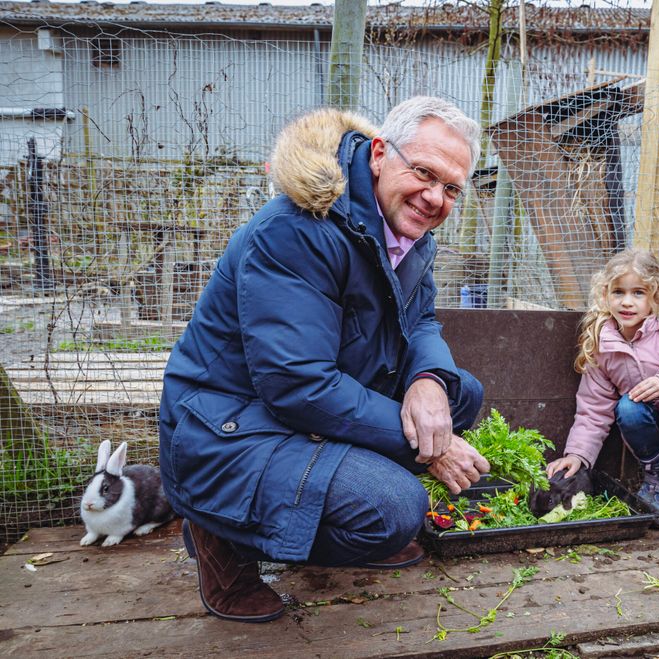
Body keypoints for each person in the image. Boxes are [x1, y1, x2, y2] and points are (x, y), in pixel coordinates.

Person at [158, 97, 491, 623]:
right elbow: (298, 384)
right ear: (380, 153)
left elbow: (422, 321)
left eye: (452, 188)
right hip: (227, 425)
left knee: (458, 395)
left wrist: (427, 380)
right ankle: (221, 536)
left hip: (296, 405)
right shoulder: (297, 230)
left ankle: (317, 500)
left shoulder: (403, 226)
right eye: (424, 173)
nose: (434, 198)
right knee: (395, 509)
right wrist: (434, 450)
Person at [546, 249, 659, 528]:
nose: (626, 302)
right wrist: (577, 454)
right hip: (649, 437)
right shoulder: (603, 344)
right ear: (605, 294)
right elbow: (593, 409)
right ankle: (657, 473)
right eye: (618, 292)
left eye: (638, 293)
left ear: (655, 297)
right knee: (628, 406)